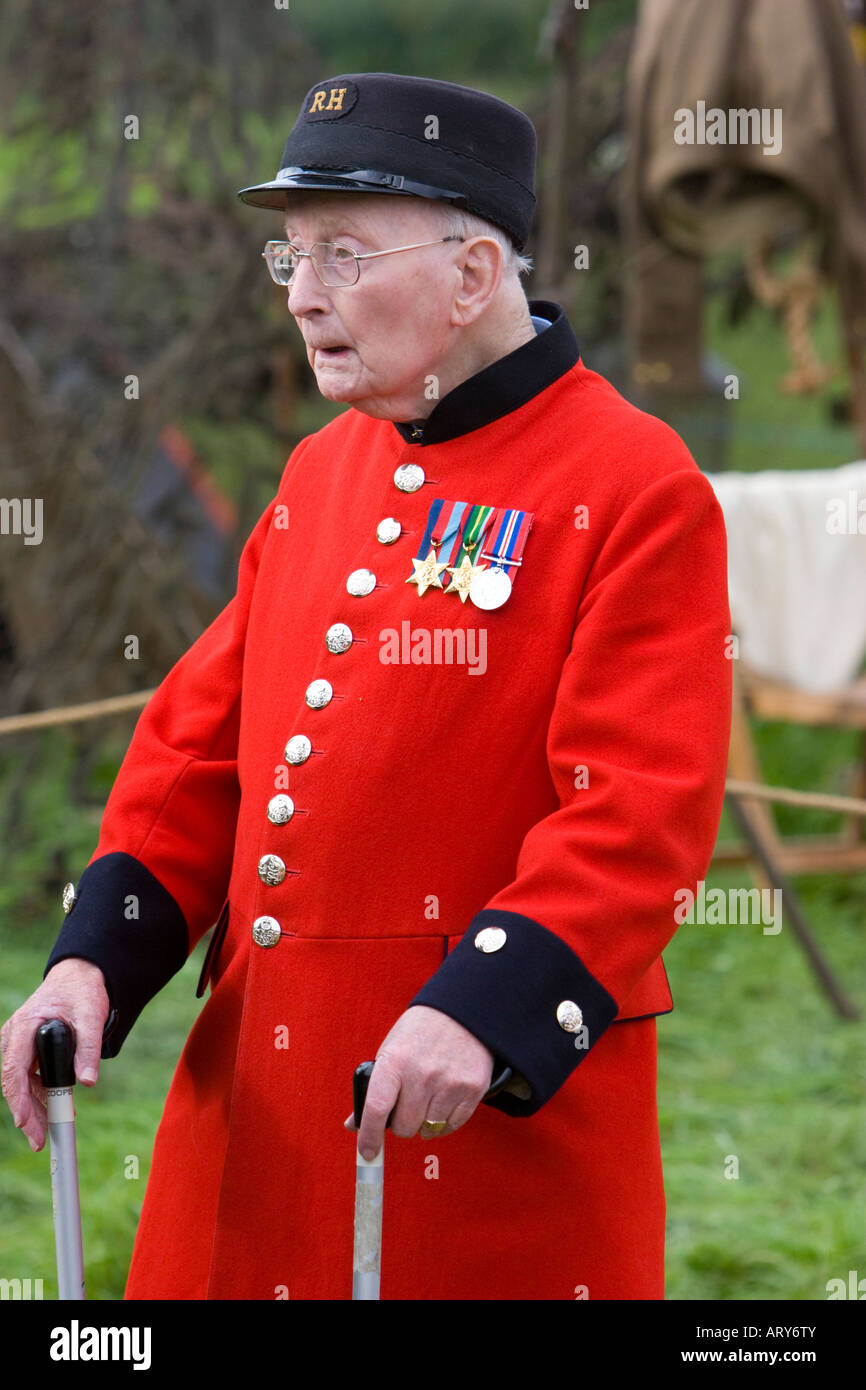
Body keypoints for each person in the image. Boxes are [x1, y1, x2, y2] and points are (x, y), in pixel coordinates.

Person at [1, 72, 732, 1300]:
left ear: (470, 271)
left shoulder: (634, 484)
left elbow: (635, 814)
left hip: (475, 1138)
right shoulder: (316, 474)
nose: (299, 294)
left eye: (342, 252)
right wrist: (94, 959)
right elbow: (204, 752)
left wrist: (486, 1011)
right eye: (289, 255)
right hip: (259, 1121)